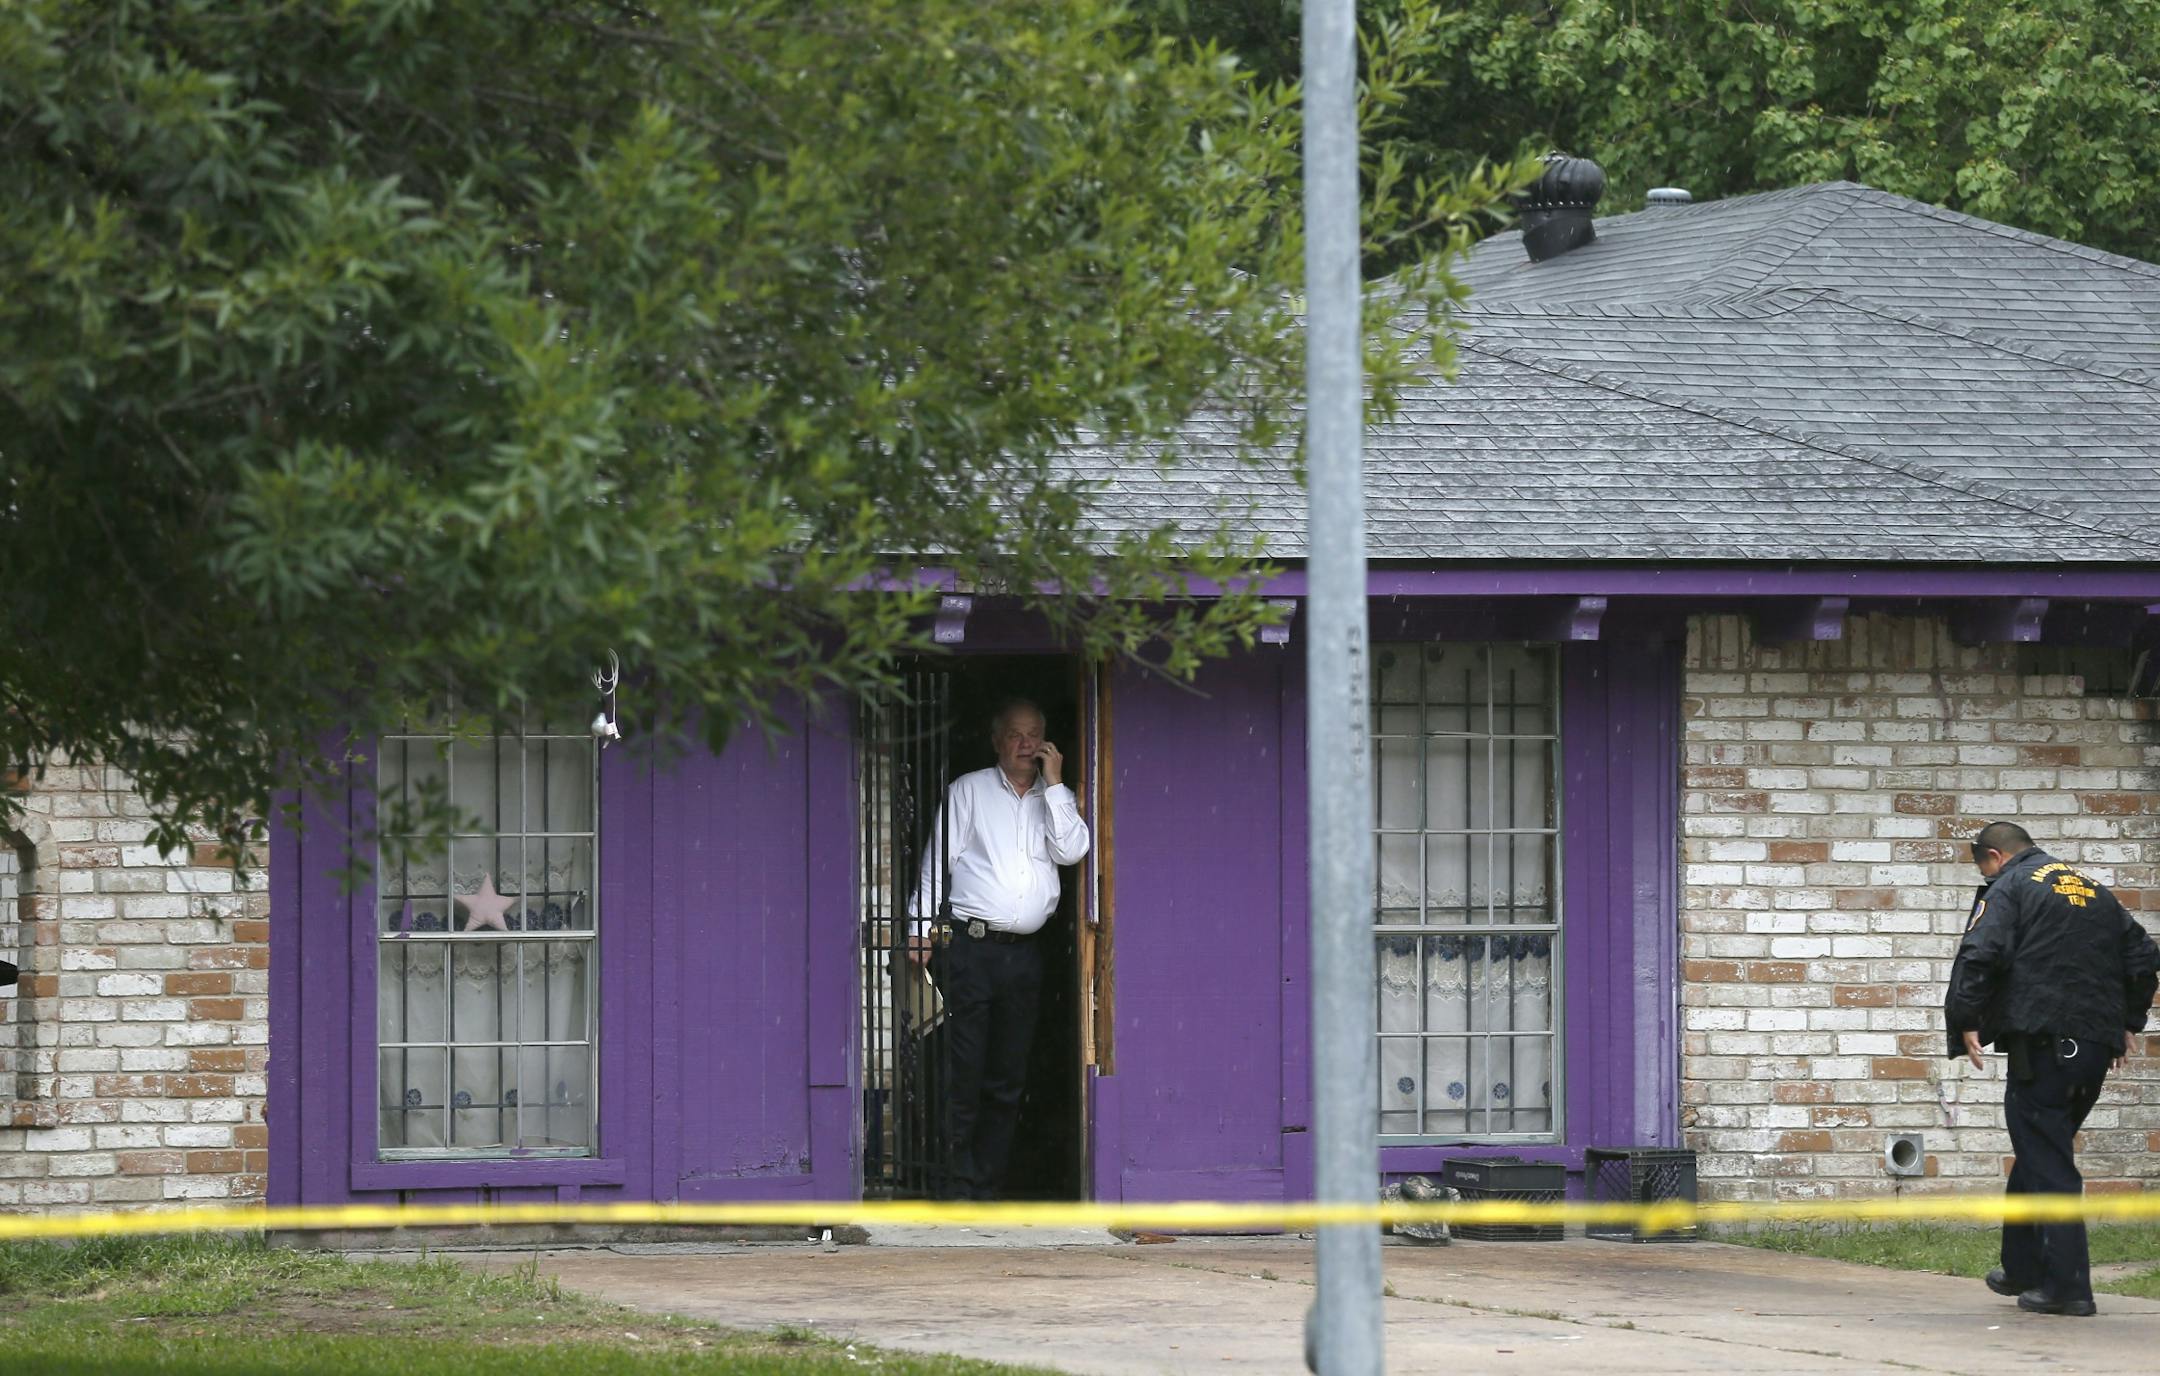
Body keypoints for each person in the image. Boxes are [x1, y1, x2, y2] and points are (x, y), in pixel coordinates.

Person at [1945, 821, 2158, 1317]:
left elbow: (1980, 953)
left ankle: (2068, 1288)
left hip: (2043, 1044)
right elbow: (2145, 956)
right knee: (2040, 1149)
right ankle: (2020, 1268)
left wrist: (1965, 1021)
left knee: (2048, 1159)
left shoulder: (2011, 886)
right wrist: (2127, 1021)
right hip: (2093, 1049)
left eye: (1982, 865)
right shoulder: (2091, 889)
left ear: (1994, 856)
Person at [910, 698, 1090, 1200]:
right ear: (997, 740)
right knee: (963, 1071)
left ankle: (989, 1184)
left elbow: (1073, 851)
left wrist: (1056, 786)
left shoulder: (1057, 798)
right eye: (1016, 734)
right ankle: (957, 1183)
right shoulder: (968, 790)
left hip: (1025, 956)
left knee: (1008, 1076)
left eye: (1035, 735)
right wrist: (918, 928)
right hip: (970, 949)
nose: (1026, 744)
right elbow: (935, 863)